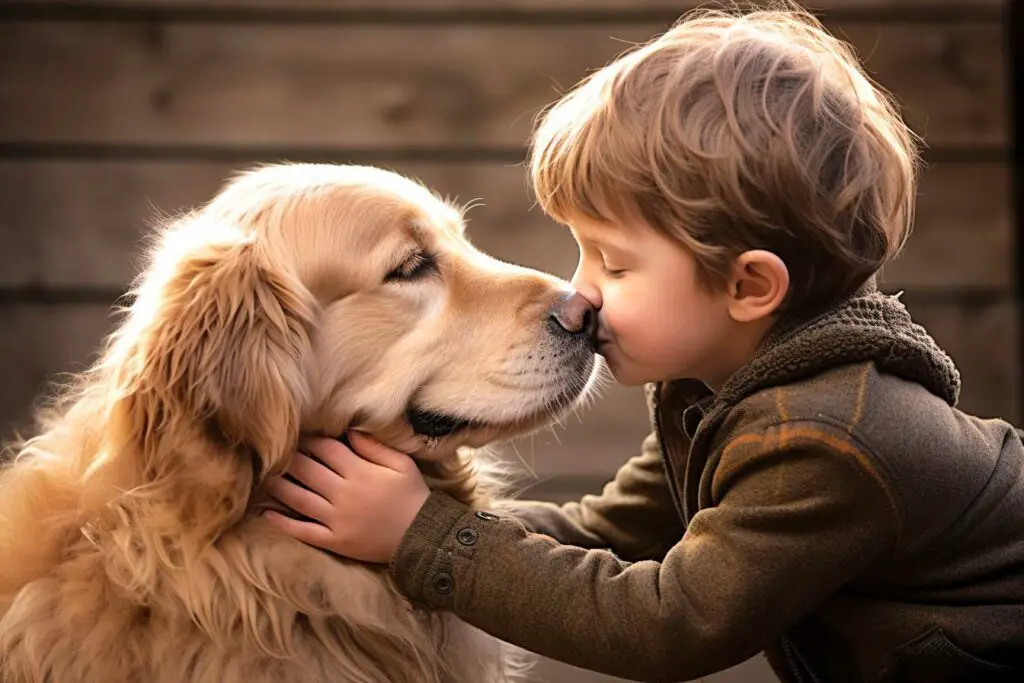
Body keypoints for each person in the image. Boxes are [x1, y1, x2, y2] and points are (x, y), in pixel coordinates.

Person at [263, 5, 1024, 682]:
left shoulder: (826, 441)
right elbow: (610, 536)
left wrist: (424, 538)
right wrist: (409, 522)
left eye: (615, 264)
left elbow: (664, 624)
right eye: (583, 252)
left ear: (749, 286)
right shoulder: (727, 389)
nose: (577, 293)